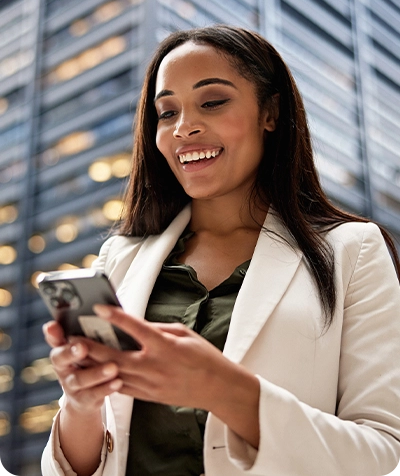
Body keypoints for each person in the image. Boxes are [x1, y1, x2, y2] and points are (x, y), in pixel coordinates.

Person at [41, 25, 400, 476]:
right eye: (166, 112)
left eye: (212, 102)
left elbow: (387, 457)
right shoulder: (120, 257)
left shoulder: (352, 250)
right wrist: (80, 404)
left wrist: (224, 390)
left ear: (270, 113)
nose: (184, 127)